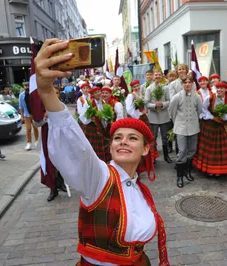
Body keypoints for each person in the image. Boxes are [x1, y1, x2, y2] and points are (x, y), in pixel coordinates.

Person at [34, 38, 170, 265]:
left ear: (146, 149)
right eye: (117, 138)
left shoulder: (141, 189)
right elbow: (78, 150)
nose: (123, 142)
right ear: (111, 146)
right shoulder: (100, 178)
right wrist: (47, 94)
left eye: (132, 138)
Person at [192, 82, 227, 177]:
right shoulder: (210, 98)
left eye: (221, 88)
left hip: (220, 126)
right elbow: (203, 110)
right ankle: (209, 169)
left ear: (226, 90)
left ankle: (218, 169)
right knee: (208, 148)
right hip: (209, 125)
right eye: (218, 88)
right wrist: (212, 117)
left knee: (219, 149)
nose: (219, 90)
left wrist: (222, 117)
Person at [169, 75, 203, 188]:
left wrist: (193, 122)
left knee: (192, 150)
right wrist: (178, 123)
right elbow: (172, 113)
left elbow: (199, 111)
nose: (187, 84)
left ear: (192, 84)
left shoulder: (197, 97)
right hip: (181, 128)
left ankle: (187, 172)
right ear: (182, 84)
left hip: (193, 127)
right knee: (182, 151)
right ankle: (179, 177)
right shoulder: (177, 97)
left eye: (190, 82)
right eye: (185, 82)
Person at [125, 80, 159, 161]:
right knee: (141, 138)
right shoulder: (131, 96)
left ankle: (151, 157)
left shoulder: (141, 94)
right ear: (132, 88)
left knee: (149, 136)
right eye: (134, 87)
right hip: (138, 119)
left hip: (145, 117)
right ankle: (143, 158)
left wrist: (145, 111)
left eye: (137, 86)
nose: (136, 88)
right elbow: (129, 109)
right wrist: (138, 114)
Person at [145, 69, 172, 163]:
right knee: (154, 137)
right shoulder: (149, 89)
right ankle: (153, 156)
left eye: (159, 75)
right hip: (153, 117)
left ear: (162, 77)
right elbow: (146, 103)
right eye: (156, 75)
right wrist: (154, 106)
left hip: (164, 116)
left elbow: (169, 101)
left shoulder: (166, 88)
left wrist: (163, 104)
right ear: (153, 76)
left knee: (165, 137)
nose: (157, 77)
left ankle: (166, 156)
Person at [79, 86, 110, 162]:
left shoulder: (103, 102)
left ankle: (102, 161)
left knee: (102, 145)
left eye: (99, 91)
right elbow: (82, 116)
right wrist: (90, 118)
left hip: (101, 126)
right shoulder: (88, 103)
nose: (98, 94)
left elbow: (104, 113)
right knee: (93, 146)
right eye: (96, 92)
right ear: (92, 94)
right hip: (92, 127)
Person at [19, 82, 39, 151]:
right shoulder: (21, 95)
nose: (27, 87)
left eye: (28, 85)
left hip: (34, 114)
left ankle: (37, 140)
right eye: (25, 86)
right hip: (26, 114)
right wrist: (22, 116)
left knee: (35, 128)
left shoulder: (33, 93)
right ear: (24, 87)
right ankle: (29, 143)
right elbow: (20, 106)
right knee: (28, 129)